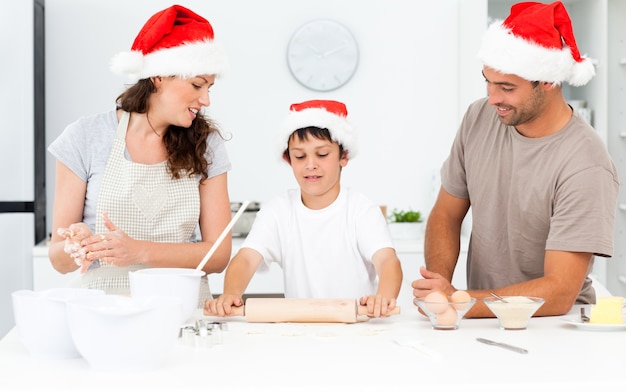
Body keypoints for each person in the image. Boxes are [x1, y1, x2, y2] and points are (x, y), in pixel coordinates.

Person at [412, 1, 619, 318]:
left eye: (507, 87)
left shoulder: (585, 163)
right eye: (488, 81)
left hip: (553, 327)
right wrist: (440, 287)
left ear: (548, 81)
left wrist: (461, 302)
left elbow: (560, 291)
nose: (492, 97)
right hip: (482, 315)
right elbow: (445, 214)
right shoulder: (479, 117)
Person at [48, 5, 232, 301]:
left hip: (183, 309)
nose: (206, 99)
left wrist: (139, 251)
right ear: (158, 76)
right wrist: (76, 246)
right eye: (197, 85)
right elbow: (58, 259)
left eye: (209, 87)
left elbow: (219, 254)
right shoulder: (84, 137)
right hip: (105, 310)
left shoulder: (206, 144)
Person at [204, 100, 403, 318]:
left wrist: (384, 296)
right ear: (289, 159)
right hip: (300, 332)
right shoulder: (279, 211)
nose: (310, 165)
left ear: (343, 156)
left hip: (359, 328)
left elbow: (387, 261)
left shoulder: (361, 210)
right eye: (300, 156)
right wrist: (231, 293)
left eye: (322, 154)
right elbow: (246, 258)